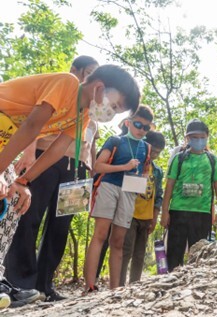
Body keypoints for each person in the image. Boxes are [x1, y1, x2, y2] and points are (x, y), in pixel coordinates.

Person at [0, 64, 139, 307]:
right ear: (99, 88)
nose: (112, 114)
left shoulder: (82, 115)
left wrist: (23, 181)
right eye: (115, 107)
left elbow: (56, 150)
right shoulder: (67, 84)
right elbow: (32, 127)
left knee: (13, 202)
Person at [4, 56, 99, 302]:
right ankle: (16, 280)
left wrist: (90, 174)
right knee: (28, 216)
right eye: (87, 73)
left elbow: (88, 147)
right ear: (75, 70)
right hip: (42, 159)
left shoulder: (89, 115)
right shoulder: (65, 87)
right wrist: (27, 156)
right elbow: (32, 124)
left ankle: (44, 285)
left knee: (60, 228)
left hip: (75, 170)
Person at [84, 105, 153, 291]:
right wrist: (124, 167)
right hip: (109, 186)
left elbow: (146, 170)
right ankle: (90, 285)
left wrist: (142, 180)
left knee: (118, 241)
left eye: (146, 127)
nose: (141, 130)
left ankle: (115, 289)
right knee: (100, 234)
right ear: (128, 122)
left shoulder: (146, 147)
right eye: (138, 124)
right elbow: (98, 166)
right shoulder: (115, 140)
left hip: (129, 192)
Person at [161, 119, 217, 272]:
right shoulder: (179, 158)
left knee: (199, 257)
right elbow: (169, 185)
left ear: (207, 137)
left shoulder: (212, 159)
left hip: (202, 214)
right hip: (178, 212)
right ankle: (172, 286)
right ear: (187, 138)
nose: (198, 140)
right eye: (194, 137)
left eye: (201, 137)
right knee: (174, 255)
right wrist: (164, 212)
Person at [120, 131, 165, 286]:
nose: (155, 155)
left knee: (140, 254)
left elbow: (158, 194)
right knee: (126, 250)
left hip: (146, 216)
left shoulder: (157, 171)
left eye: (158, 153)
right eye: (153, 151)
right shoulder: (135, 164)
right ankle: (118, 284)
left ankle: (134, 284)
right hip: (130, 214)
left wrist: (155, 216)